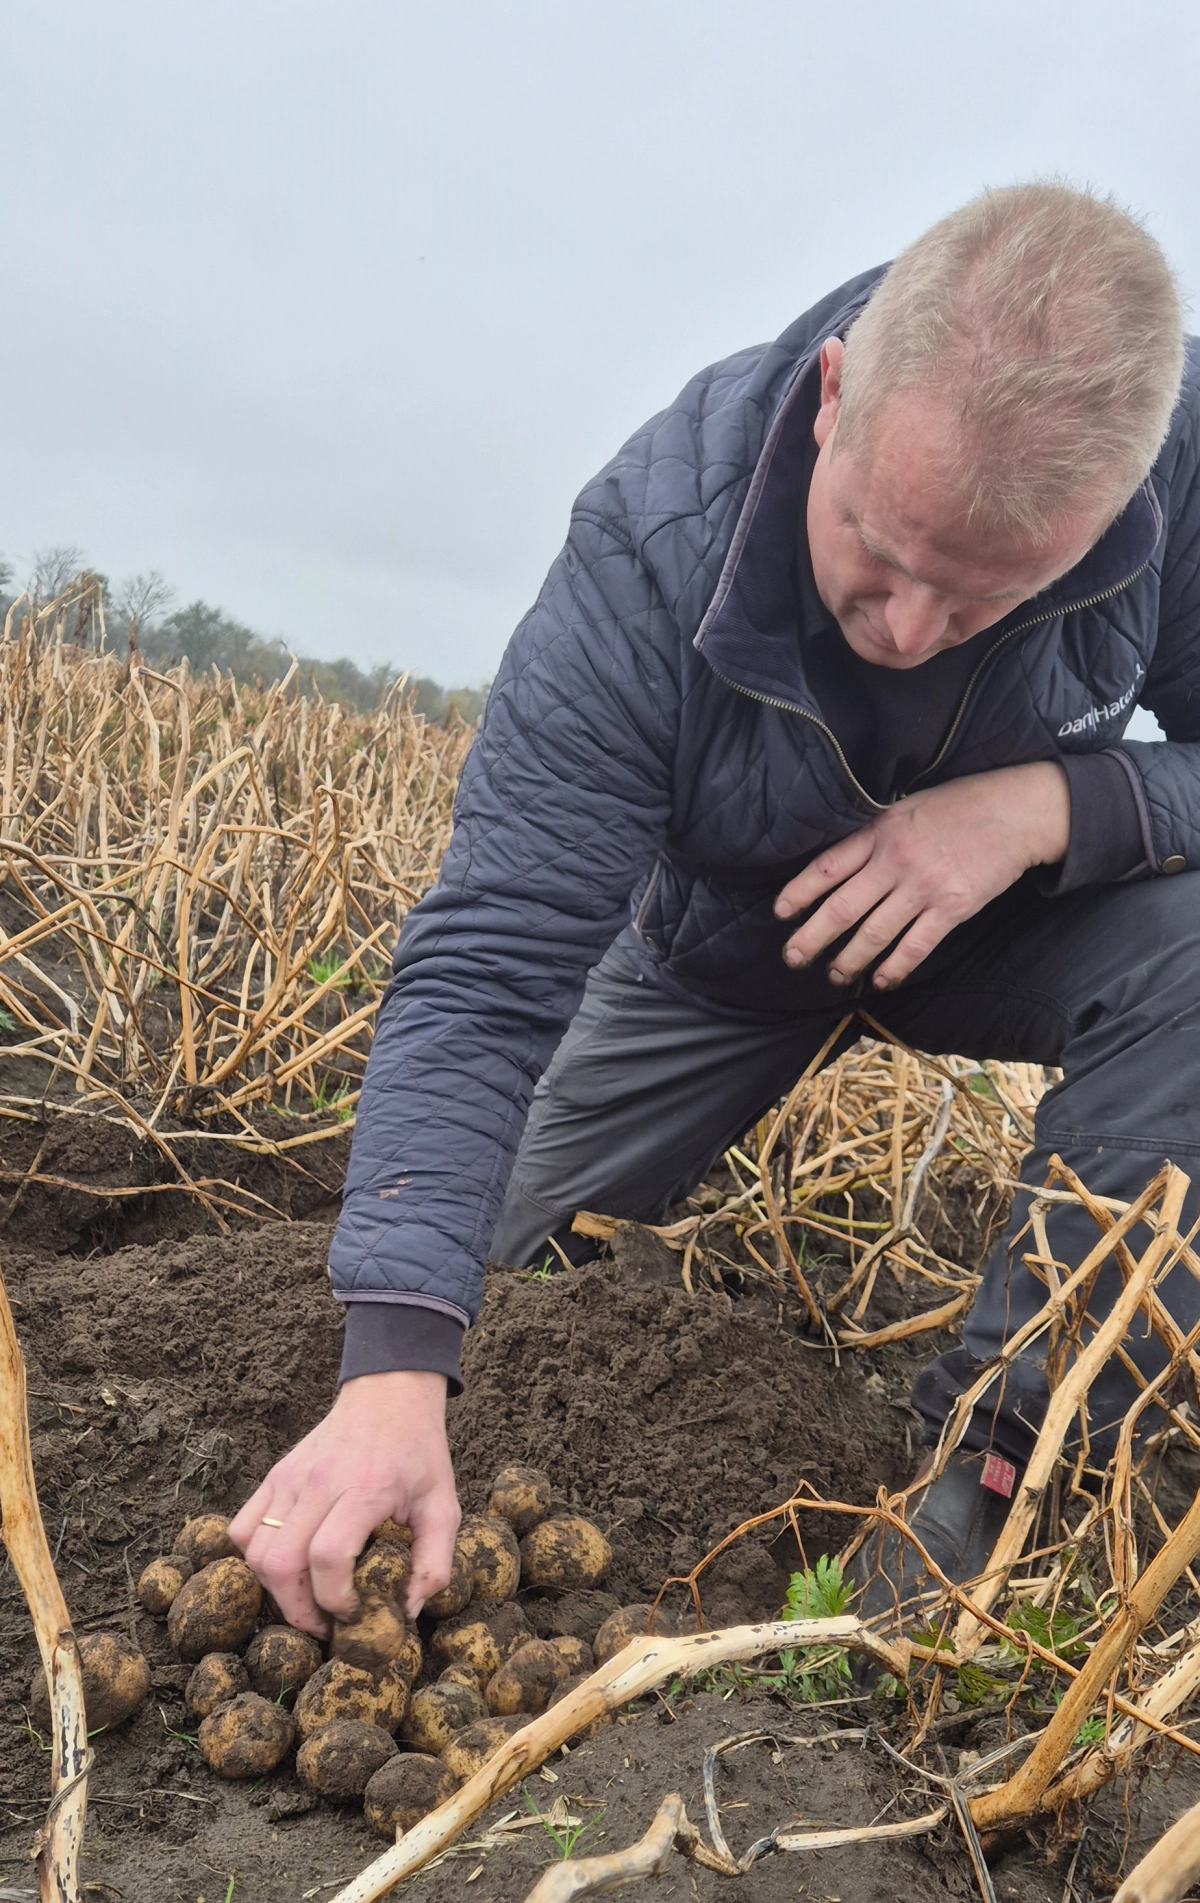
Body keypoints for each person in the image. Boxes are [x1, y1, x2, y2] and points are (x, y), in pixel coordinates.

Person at [233, 181, 1200, 1635]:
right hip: (728, 949)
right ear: (831, 397)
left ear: (1109, 517)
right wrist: (390, 1369)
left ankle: (997, 1476)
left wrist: (1050, 808)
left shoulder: (1167, 479)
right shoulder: (650, 548)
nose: (913, 633)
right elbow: (490, 969)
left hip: (1002, 916)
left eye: (988, 599)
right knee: (487, 1285)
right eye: (880, 557)